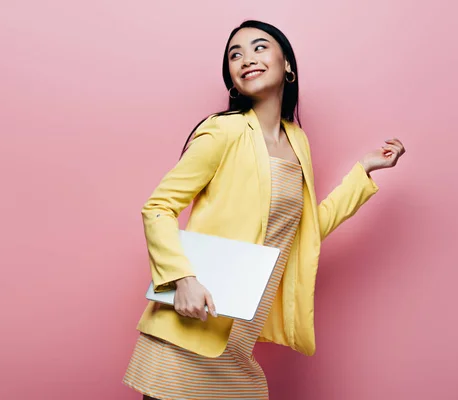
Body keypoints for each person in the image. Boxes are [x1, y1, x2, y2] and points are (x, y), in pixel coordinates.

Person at [122, 20, 406, 400]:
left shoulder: (297, 141)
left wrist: (363, 173)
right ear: (232, 79)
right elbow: (158, 208)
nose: (246, 59)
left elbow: (303, 232)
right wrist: (180, 279)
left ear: (287, 64)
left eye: (259, 47)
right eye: (235, 55)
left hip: (238, 337)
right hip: (188, 332)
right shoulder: (224, 131)